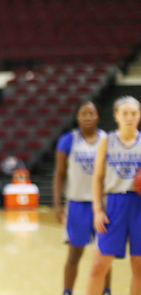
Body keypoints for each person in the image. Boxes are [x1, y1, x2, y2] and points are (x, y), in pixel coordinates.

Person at [86, 96, 141, 295]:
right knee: (98, 266)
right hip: (114, 205)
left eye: (134, 113)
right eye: (125, 113)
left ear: (139, 116)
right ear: (116, 116)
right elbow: (97, 178)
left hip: (139, 205)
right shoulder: (106, 141)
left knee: (139, 268)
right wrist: (97, 209)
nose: (129, 117)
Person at [55, 102, 110, 295]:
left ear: (97, 116)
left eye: (91, 113)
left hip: (102, 205)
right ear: (77, 117)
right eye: (83, 113)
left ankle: (106, 290)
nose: (87, 117)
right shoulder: (68, 140)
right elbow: (59, 173)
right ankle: (67, 291)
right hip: (77, 203)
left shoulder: (107, 139)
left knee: (104, 253)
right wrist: (57, 204)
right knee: (74, 253)